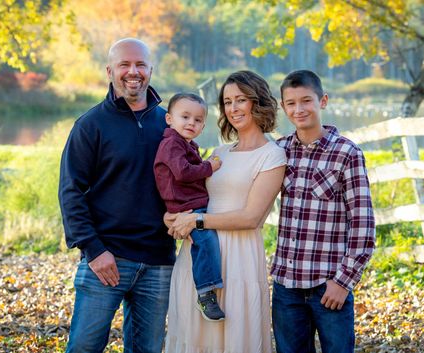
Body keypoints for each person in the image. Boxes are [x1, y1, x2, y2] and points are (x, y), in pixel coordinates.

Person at [58, 38, 175, 353]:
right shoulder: (90, 125)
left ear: (151, 69)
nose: (133, 71)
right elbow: (71, 192)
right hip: (106, 259)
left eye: (140, 64)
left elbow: (184, 184)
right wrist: (94, 251)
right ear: (110, 71)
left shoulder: (169, 125)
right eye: (124, 64)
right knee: (84, 347)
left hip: (158, 261)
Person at [164, 70, 286, 353]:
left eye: (240, 99)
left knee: (233, 338)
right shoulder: (221, 152)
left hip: (239, 256)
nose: (233, 108)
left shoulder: (272, 155)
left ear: (258, 102)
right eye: (227, 101)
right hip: (200, 254)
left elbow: (251, 217)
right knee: (195, 336)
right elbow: (193, 195)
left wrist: (197, 220)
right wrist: (172, 216)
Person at [272, 69, 376, 353]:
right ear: (283, 107)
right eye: (291, 103)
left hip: (328, 286)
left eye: (306, 100)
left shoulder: (347, 153)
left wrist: (343, 282)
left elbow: (363, 227)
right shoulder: (279, 151)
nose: (299, 109)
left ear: (323, 101)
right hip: (286, 287)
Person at [153, 92, 225, 321]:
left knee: (204, 242)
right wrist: (209, 167)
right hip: (184, 205)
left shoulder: (186, 144)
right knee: (205, 241)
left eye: (197, 120)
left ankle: (206, 286)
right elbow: (183, 172)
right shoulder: (171, 144)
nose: (191, 123)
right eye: (185, 117)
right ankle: (205, 293)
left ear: (203, 125)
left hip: (192, 203)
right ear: (169, 119)